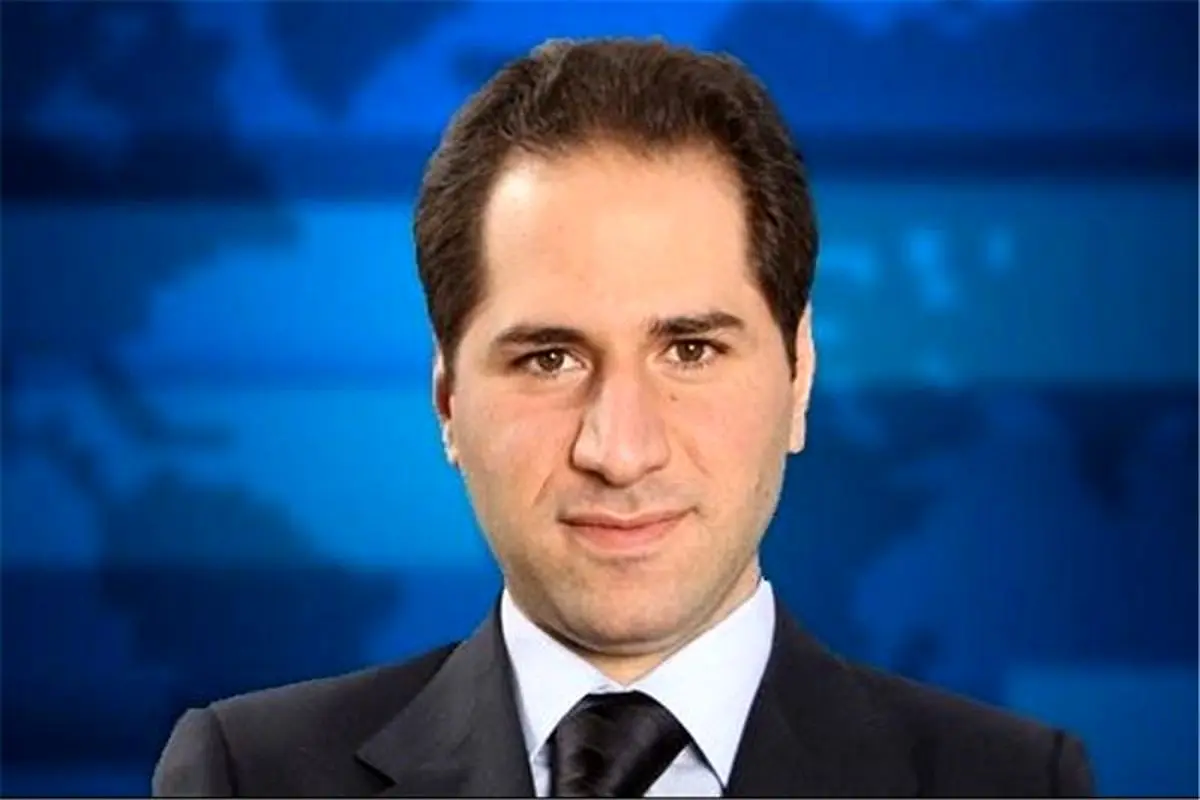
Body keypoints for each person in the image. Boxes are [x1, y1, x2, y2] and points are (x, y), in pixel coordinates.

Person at [152, 37, 1094, 798]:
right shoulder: (247, 778)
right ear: (447, 399)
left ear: (800, 376)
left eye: (691, 350)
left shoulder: (1014, 786)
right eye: (549, 359)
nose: (620, 450)